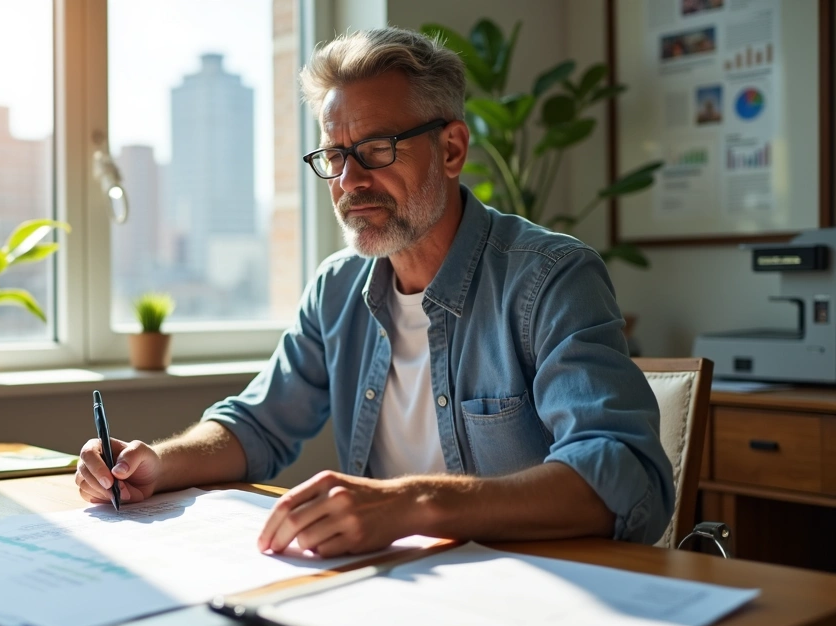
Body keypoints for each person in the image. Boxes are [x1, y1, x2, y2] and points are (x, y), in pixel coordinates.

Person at [76, 27, 673, 557]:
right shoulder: (337, 288)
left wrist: (412, 504)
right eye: (335, 155)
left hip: (533, 595)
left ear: (451, 149)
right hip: (388, 593)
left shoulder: (551, 278)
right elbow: (256, 426)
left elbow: (625, 474)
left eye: (376, 150)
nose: (350, 181)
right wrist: (157, 463)